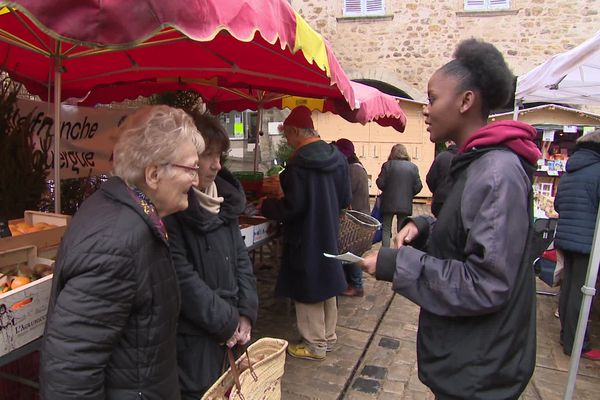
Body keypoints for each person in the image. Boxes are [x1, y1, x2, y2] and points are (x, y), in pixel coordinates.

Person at [360, 39, 540, 399]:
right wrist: (424, 228)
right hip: (468, 357)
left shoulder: (496, 173)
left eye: (431, 98)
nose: (425, 110)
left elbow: (486, 281)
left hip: (481, 369)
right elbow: (466, 233)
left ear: (465, 101)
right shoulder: (476, 163)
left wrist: (398, 265)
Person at [40, 105, 204, 399]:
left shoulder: (132, 216)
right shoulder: (117, 240)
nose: (197, 180)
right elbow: (70, 374)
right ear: (153, 174)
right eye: (191, 168)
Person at [164, 111, 259, 398]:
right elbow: (182, 277)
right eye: (208, 156)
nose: (216, 165)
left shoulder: (225, 200)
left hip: (231, 331)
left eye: (220, 156)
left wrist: (246, 313)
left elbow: (241, 259)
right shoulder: (173, 206)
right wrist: (226, 322)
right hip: (193, 337)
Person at [261, 106, 351, 361]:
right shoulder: (338, 158)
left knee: (308, 285)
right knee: (328, 280)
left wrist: (268, 206)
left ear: (294, 131)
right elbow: (345, 197)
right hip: (330, 230)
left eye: (287, 136)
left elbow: (293, 207)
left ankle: (314, 345)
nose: (288, 142)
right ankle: (328, 338)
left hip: (305, 235)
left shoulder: (298, 165)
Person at [554, 129, 600, 361]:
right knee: (581, 294)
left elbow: (558, 204)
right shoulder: (598, 172)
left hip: (567, 237)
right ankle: (576, 344)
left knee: (568, 290)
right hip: (588, 241)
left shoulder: (570, 172)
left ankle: (567, 335)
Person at [334, 138, 369, 297]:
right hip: (359, 214)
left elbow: (345, 195)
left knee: (351, 252)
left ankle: (356, 285)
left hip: (356, 216)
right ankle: (351, 283)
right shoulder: (357, 167)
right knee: (350, 251)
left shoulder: (352, 170)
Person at [375, 144, 422, 247]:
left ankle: (386, 252)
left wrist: (387, 189)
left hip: (388, 202)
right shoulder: (413, 167)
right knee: (402, 229)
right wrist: (409, 194)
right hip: (405, 203)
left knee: (386, 228)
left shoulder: (387, 165)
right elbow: (418, 186)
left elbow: (380, 183)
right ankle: (399, 253)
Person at [425, 140, 457, 217]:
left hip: (440, 200)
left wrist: (436, 191)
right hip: (458, 201)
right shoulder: (466, 156)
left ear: (449, 143)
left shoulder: (441, 157)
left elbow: (430, 178)